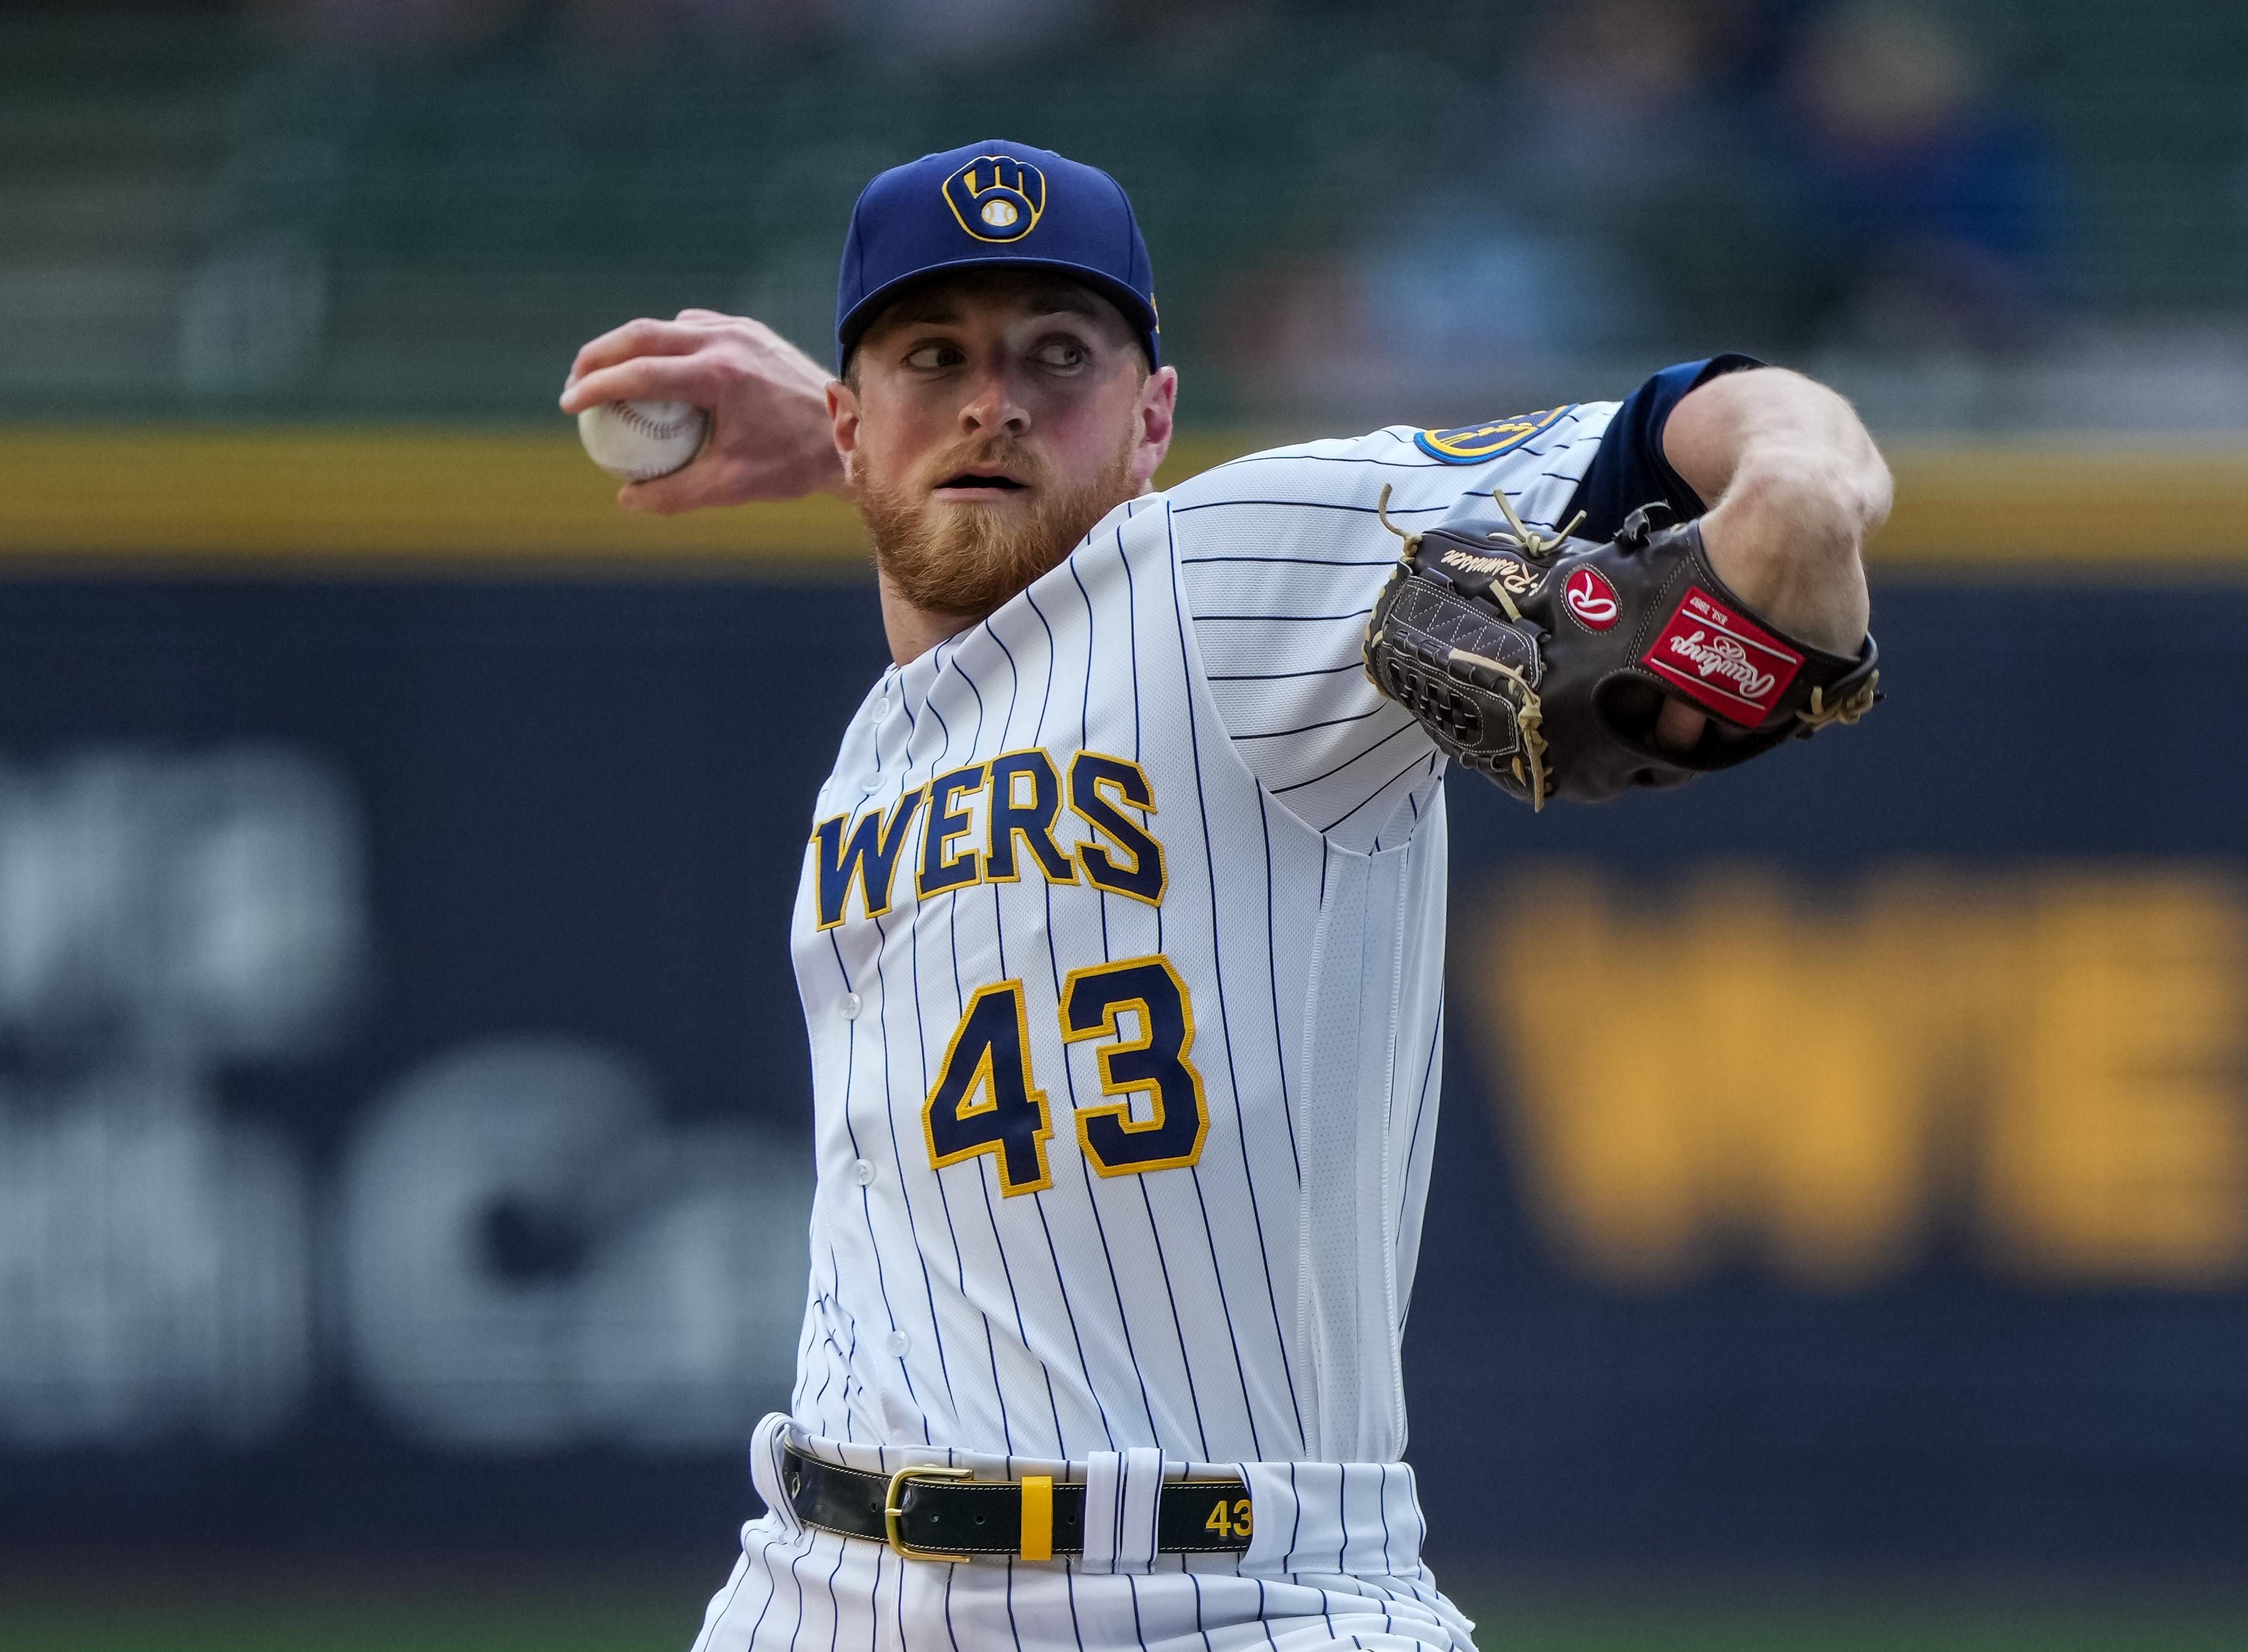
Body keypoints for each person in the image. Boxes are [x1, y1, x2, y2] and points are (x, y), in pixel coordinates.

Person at [560, 139, 1885, 1651]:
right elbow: (959, 509)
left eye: (1059, 356)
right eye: (936, 357)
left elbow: (1700, 430)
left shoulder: (1230, 566)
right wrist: (848, 440)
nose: (994, 399)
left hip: (1232, 1594)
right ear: (853, 426)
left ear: (1153, 422)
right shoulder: (893, 720)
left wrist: (1792, 485)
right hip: (818, 1580)